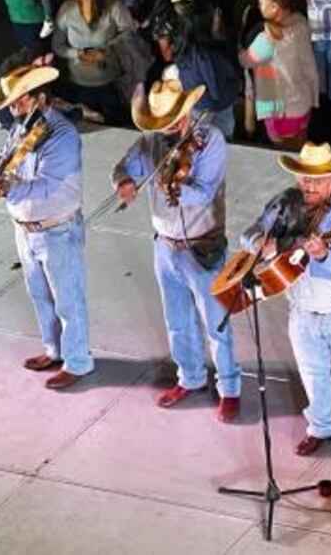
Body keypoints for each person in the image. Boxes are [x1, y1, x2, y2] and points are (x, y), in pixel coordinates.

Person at [240, 142, 331, 469]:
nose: (310, 185)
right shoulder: (284, 204)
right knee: (312, 373)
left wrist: (321, 254)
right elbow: (249, 233)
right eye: (305, 178)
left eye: (317, 180)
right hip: (303, 312)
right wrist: (261, 243)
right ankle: (321, 426)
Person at [111, 77, 241, 421]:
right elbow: (124, 166)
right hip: (165, 246)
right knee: (177, 320)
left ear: (184, 113)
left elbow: (205, 191)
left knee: (216, 323)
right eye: (161, 123)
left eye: (171, 121)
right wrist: (123, 182)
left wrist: (169, 186)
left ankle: (230, 387)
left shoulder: (210, 140)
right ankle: (191, 377)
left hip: (202, 244)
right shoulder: (151, 142)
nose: (167, 129)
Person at [0, 65, 94, 390]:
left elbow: (47, 185)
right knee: (40, 294)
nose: (15, 110)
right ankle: (54, 350)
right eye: (13, 104)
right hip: (26, 228)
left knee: (67, 298)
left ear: (41, 99)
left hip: (57, 229)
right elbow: (5, 154)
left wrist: (8, 188)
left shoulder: (63, 135)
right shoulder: (23, 128)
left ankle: (78, 361)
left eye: (20, 103)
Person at [52, 0, 139, 124]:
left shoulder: (115, 8)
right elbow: (57, 44)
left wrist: (105, 52)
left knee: (116, 125)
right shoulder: (66, 10)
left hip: (111, 84)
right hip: (79, 85)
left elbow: (130, 35)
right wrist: (76, 54)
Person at [239, 0, 319, 146]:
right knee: (302, 145)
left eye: (261, 3)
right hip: (303, 104)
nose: (259, 7)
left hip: (279, 111)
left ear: (275, 6)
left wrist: (240, 40)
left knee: (284, 154)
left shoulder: (265, 40)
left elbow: (245, 60)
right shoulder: (301, 23)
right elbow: (309, 66)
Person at [151, 5, 240, 138]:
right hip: (214, 110)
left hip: (198, 108)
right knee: (222, 143)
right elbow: (218, 93)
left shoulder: (183, 56)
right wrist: (237, 86)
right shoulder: (203, 55)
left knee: (200, 144)